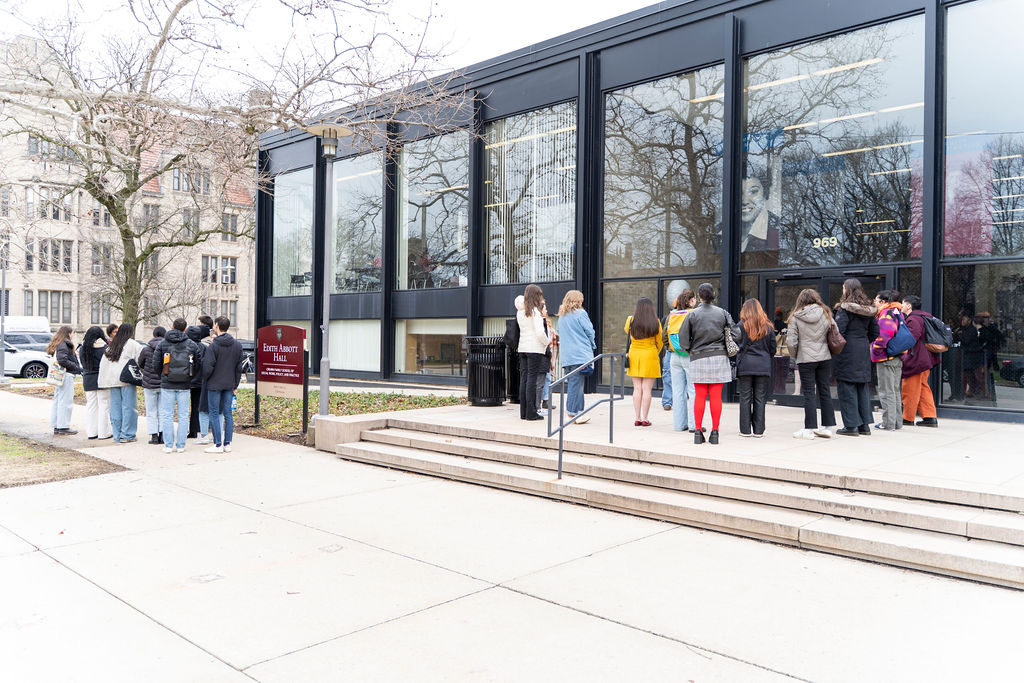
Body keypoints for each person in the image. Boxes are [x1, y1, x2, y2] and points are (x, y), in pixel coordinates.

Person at [679, 283, 737, 445]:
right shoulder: (723, 313)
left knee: (699, 395)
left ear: (699, 296)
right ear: (714, 295)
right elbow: (736, 333)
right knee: (716, 396)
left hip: (698, 357)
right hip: (719, 357)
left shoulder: (692, 315)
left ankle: (697, 431)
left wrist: (691, 349)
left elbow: (683, 339)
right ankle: (715, 431)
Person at [787, 288, 836, 439]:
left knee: (809, 393)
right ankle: (827, 427)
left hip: (806, 358)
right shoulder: (826, 313)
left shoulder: (796, 316)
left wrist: (796, 355)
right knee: (824, 391)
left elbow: (791, 341)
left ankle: (809, 429)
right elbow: (835, 332)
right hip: (824, 357)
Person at [832, 279, 878, 436]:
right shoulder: (869, 310)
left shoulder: (844, 309)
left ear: (847, 290)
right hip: (863, 350)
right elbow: (875, 333)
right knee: (862, 388)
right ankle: (864, 425)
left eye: (843, 288)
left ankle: (851, 426)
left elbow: (839, 332)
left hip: (847, 351)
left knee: (847, 388)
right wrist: (863, 341)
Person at [159, 318, 201, 452]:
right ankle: (181, 445)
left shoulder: (163, 344)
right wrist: (190, 376)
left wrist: (163, 375)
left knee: (167, 415)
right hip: (184, 384)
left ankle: (168, 445)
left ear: (172, 326)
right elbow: (198, 365)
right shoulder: (192, 345)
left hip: (167, 384)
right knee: (183, 415)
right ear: (185, 328)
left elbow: (155, 364)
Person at [735, 298, 776, 438]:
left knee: (745, 397)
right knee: (760, 398)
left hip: (745, 366)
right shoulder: (768, 327)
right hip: (763, 366)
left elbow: (734, 346)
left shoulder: (740, 326)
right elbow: (773, 349)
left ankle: (745, 430)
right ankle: (758, 430)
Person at [202, 316, 243, 453]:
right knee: (228, 414)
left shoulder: (214, 346)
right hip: (229, 383)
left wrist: (206, 378)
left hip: (214, 384)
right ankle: (227, 443)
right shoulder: (237, 345)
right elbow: (238, 368)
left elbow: (208, 367)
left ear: (217, 326)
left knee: (214, 413)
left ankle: (218, 444)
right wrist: (235, 385)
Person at [99, 322, 144, 443]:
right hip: (126, 380)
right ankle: (128, 434)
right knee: (129, 408)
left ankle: (117, 434)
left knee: (115, 408)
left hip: (113, 381)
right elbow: (140, 360)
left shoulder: (112, 345)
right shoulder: (133, 344)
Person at [556, 290, 595, 424]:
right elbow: (590, 331)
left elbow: (560, 333)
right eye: (581, 299)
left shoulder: (562, 316)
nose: (582, 301)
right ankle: (571, 414)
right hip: (580, 355)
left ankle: (579, 413)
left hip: (567, 356)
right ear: (578, 300)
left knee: (577, 385)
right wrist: (592, 344)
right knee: (575, 385)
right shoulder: (581, 314)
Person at [901, 295, 940, 427]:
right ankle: (930, 417)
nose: (901, 306)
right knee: (922, 387)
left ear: (909, 306)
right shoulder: (925, 316)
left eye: (903, 303)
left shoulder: (913, 319)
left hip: (916, 358)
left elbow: (911, 338)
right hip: (926, 357)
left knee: (910, 388)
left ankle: (907, 417)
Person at [871, 290, 907, 431]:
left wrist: (875, 350)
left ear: (884, 302)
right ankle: (897, 422)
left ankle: (888, 423)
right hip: (897, 356)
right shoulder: (898, 312)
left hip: (886, 357)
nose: (874, 301)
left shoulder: (886, 313)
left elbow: (884, 335)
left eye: (877, 300)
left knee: (886, 391)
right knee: (894, 391)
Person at [624, 297, 663, 427]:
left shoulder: (630, 320)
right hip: (650, 354)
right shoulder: (656, 322)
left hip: (634, 354)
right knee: (647, 390)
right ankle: (645, 418)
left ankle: (637, 417)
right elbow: (660, 342)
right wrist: (653, 351)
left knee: (637, 388)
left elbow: (626, 331)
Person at [516, 285, 551, 422]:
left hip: (523, 348)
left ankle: (524, 412)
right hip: (534, 348)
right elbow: (540, 332)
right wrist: (547, 341)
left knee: (524, 379)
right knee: (532, 380)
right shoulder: (535, 311)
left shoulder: (520, 311)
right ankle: (531, 413)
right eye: (539, 294)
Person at [665, 289, 697, 432]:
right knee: (693, 391)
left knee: (677, 392)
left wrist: (672, 349)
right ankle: (693, 425)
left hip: (674, 356)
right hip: (689, 356)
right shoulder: (693, 314)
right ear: (690, 301)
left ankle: (679, 425)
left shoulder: (671, 315)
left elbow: (664, 337)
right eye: (694, 299)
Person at [46, 325, 80, 435]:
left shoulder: (59, 344)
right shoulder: (65, 344)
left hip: (59, 376)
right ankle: (63, 426)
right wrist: (76, 367)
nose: (73, 335)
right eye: (72, 333)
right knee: (66, 401)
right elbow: (62, 360)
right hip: (66, 375)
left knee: (58, 400)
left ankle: (57, 425)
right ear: (69, 333)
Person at [79, 326, 112, 440]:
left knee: (91, 406)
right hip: (102, 379)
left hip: (88, 379)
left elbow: (83, 364)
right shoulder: (105, 348)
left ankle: (91, 432)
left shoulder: (82, 348)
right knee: (104, 406)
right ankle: (104, 433)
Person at [138, 326, 166, 444]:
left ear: (153, 335)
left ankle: (154, 436)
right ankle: (162, 435)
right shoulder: (167, 349)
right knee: (163, 410)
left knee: (151, 410)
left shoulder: (146, 349)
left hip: (149, 384)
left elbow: (140, 363)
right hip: (163, 383)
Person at [186, 316, 212, 442]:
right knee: (197, 406)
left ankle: (189, 430)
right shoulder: (205, 347)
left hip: (186, 381)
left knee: (184, 407)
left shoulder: (186, 346)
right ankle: (195, 429)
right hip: (200, 381)